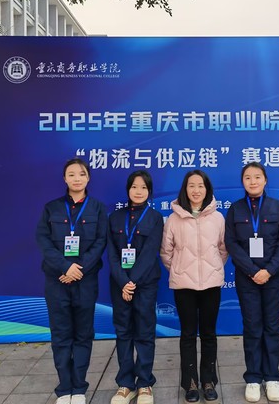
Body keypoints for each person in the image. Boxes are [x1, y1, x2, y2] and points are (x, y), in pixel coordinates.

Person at [36, 158, 108, 404]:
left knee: (83, 335)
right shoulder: (51, 208)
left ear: (88, 178)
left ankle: (79, 388)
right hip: (57, 280)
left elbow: (100, 242)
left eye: (81, 174)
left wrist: (78, 269)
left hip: (85, 281)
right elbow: (44, 241)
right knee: (61, 335)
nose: (77, 178)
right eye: (71, 174)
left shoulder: (98, 208)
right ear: (64, 178)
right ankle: (64, 388)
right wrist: (65, 266)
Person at [224, 162, 279, 403]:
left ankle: (272, 377)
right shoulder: (235, 209)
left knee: (272, 326)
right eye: (247, 178)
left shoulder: (277, 207)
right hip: (247, 278)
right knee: (252, 327)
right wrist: (253, 271)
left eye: (257, 177)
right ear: (242, 182)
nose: (252, 181)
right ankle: (253, 378)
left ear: (265, 180)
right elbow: (231, 243)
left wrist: (269, 270)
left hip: (274, 277)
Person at [161, 170, 228, 403]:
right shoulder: (174, 219)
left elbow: (223, 249)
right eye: (192, 185)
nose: (196, 190)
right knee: (188, 334)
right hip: (184, 286)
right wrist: (179, 270)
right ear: (185, 189)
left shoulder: (218, 218)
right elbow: (166, 252)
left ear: (207, 189)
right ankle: (190, 382)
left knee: (209, 334)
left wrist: (212, 268)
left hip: (211, 284)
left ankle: (208, 380)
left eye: (200, 185)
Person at [107, 170, 164, 404]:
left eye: (143, 187)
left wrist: (132, 282)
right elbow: (112, 254)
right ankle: (125, 384)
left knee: (144, 332)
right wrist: (123, 281)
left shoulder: (155, 218)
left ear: (149, 191)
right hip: (120, 285)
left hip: (145, 284)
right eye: (134, 187)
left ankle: (144, 383)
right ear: (128, 189)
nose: (138, 191)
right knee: (123, 332)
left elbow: (150, 253)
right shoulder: (115, 217)